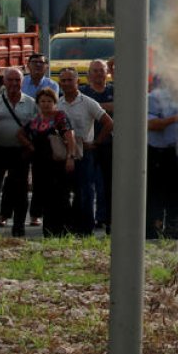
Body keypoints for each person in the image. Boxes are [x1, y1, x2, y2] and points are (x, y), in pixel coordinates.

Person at [57, 68, 113, 236]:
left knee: (85, 192)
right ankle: (67, 227)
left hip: (84, 154)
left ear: (77, 82)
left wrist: (97, 141)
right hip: (64, 154)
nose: (66, 84)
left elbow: (109, 123)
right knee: (64, 192)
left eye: (69, 80)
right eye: (63, 81)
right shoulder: (58, 104)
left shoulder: (88, 102)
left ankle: (85, 230)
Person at [0, 68, 37, 236]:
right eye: (11, 80)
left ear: (22, 82)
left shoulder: (31, 103)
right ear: (4, 82)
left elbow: (38, 128)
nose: (14, 84)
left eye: (18, 80)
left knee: (20, 192)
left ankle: (18, 229)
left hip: (20, 153)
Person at [22, 87, 76, 237]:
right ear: (38, 103)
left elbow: (70, 137)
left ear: (55, 102)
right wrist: (29, 145)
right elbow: (20, 134)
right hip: (40, 166)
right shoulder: (36, 120)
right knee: (46, 199)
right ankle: (49, 232)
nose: (46, 104)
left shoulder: (60, 116)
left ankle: (65, 232)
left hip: (58, 164)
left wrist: (70, 158)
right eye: (42, 101)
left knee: (61, 198)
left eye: (49, 101)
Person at [148, 76, 178, 239]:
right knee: (155, 196)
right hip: (158, 155)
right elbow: (151, 124)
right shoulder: (154, 98)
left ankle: (173, 234)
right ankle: (153, 235)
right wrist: (176, 118)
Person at [79, 60, 114, 232]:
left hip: (108, 144)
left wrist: (94, 107)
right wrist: (105, 108)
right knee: (87, 184)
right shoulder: (83, 92)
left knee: (107, 185)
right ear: (88, 74)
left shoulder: (114, 90)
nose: (99, 74)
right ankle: (87, 221)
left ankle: (106, 218)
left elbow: (121, 106)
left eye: (102, 70)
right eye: (95, 71)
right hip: (87, 146)